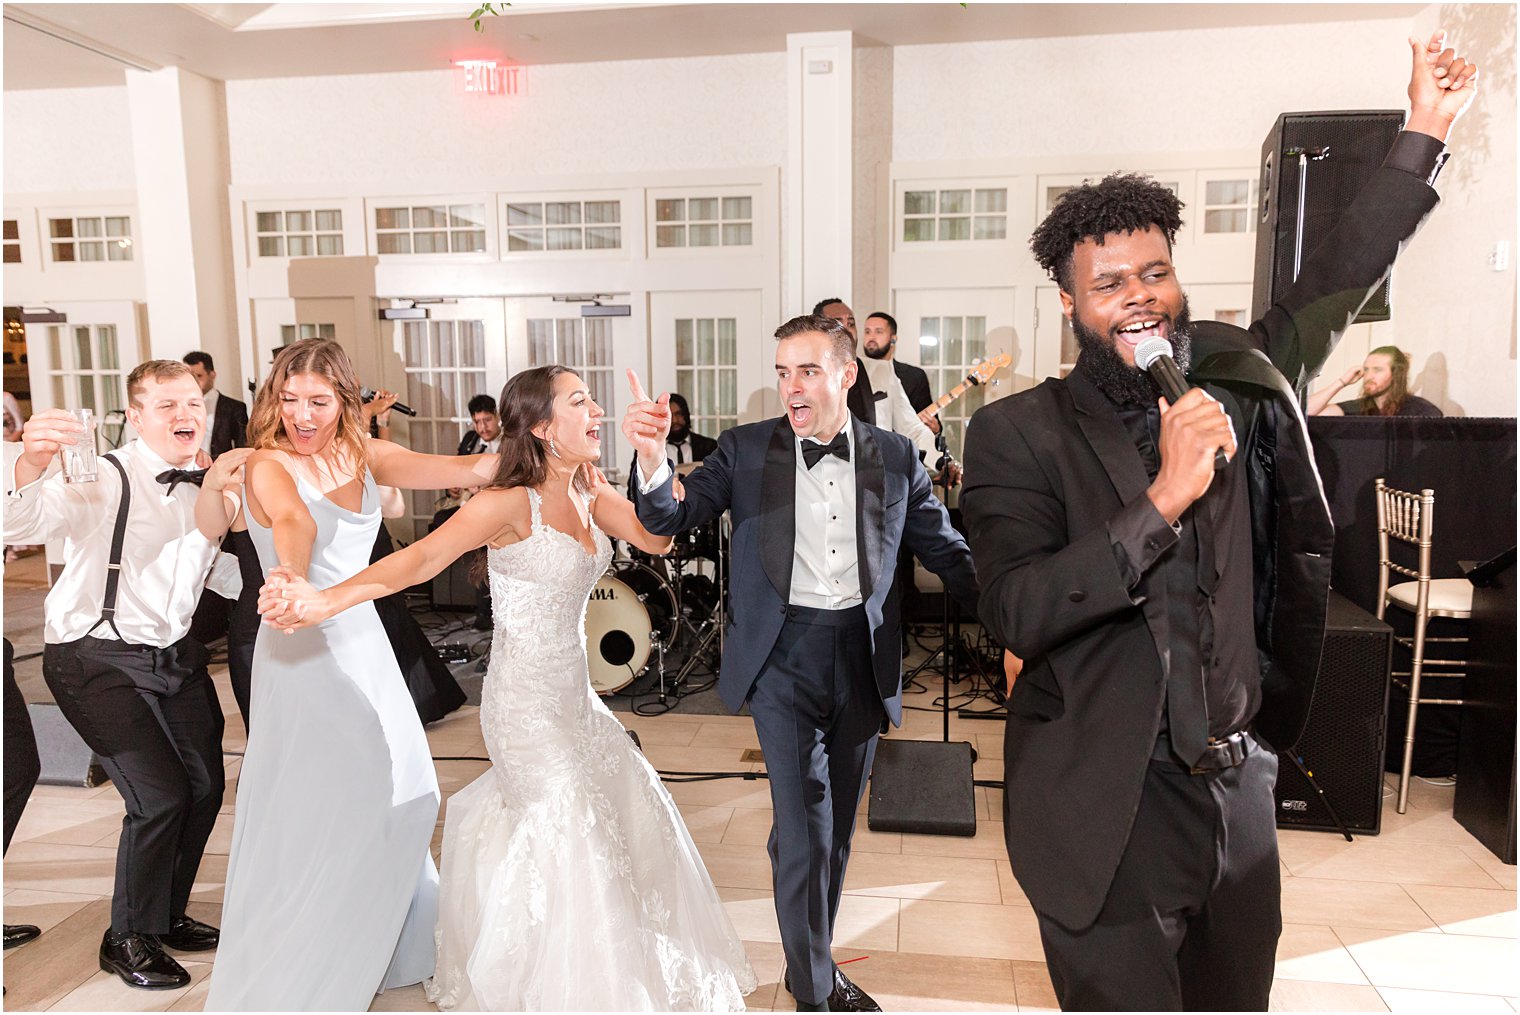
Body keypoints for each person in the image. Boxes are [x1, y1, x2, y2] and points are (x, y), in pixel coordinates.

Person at [959, 32, 1475, 1011]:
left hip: (1236, 792)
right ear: (1066, 301)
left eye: (1151, 273)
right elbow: (1016, 609)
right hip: (1105, 808)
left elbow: (1338, 275)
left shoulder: (1238, 376)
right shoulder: (1017, 433)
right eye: (1106, 284)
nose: (1136, 299)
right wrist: (1160, 501)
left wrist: (1423, 129)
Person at [257, 364, 756, 1011]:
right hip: (523, 709)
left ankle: (593, 971)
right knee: (573, 829)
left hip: (577, 701)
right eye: (581, 401)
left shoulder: (587, 487)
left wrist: (653, 455)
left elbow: (656, 536)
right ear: (544, 426)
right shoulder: (507, 502)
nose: (597, 411)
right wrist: (324, 600)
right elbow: (419, 559)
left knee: (624, 812)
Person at [627, 314, 983, 1012]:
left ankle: (807, 959)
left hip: (863, 656)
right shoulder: (746, 450)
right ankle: (815, 994)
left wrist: (1026, 611)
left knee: (834, 833)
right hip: (781, 661)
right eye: (783, 371)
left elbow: (947, 554)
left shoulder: (895, 457)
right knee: (808, 826)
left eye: (808, 371)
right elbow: (672, 517)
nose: (791, 387)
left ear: (847, 376)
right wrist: (650, 458)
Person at [205, 339, 500, 1011]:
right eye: (289, 400)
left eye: (317, 401)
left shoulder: (367, 454)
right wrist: (290, 576)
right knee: (330, 803)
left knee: (410, 791)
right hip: (303, 647)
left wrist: (551, 447)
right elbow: (294, 520)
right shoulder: (267, 463)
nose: (302, 415)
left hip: (365, 643)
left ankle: (389, 940)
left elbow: (471, 469)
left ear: (344, 400)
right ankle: (311, 954)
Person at [5, 361, 251, 990]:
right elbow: (20, 525)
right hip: (94, 656)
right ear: (135, 417)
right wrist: (29, 465)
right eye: (165, 406)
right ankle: (126, 938)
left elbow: (208, 570)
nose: (183, 416)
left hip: (171, 652)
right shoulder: (102, 475)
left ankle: (164, 916)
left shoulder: (214, 475)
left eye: (192, 403)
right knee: (159, 793)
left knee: (204, 784)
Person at [813, 299, 943, 472]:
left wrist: (941, 462)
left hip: (879, 476)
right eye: (838, 323)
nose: (847, 329)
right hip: (824, 479)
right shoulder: (802, 376)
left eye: (851, 323)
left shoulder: (882, 370)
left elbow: (913, 429)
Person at [1308, 345, 1445, 417]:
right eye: (1366, 369)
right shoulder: (1358, 408)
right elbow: (1305, 413)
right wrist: (1342, 382)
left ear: (1396, 374)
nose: (1369, 376)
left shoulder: (1421, 410)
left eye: (1377, 370)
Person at [861, 312, 940, 434]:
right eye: (867, 331)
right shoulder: (852, 374)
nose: (871, 337)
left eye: (878, 331)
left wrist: (935, 429)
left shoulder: (914, 376)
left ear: (893, 339)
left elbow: (932, 425)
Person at [183, 351, 249, 459]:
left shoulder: (235, 408)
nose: (194, 381)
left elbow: (243, 446)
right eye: (190, 377)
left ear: (212, 375)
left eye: (199, 376)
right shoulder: (179, 407)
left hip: (221, 469)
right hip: (185, 470)